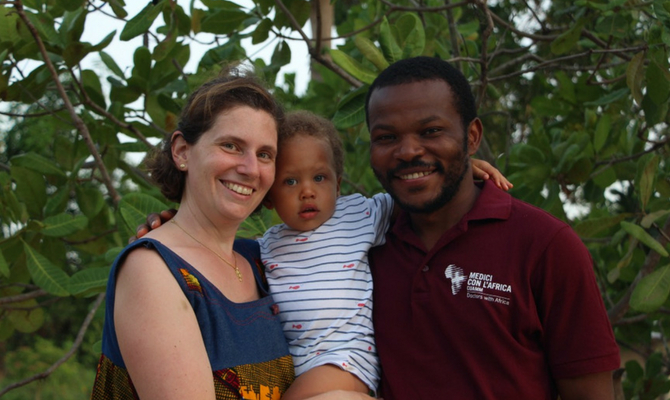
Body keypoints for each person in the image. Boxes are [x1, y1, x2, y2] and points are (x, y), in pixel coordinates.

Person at [134, 109, 511, 399]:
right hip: (297, 367)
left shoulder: (360, 214)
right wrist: (168, 223)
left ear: (338, 181)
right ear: (268, 195)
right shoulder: (263, 248)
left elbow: (424, 194)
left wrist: (461, 173)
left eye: (319, 177)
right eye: (291, 181)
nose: (307, 191)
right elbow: (204, 248)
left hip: (345, 360)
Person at [91, 70, 372, 400]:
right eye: (231, 146)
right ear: (182, 151)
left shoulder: (263, 260)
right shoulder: (153, 270)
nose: (251, 168)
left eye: (265, 154)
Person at [365, 56, 620, 399]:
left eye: (431, 132)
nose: (408, 151)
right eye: (386, 137)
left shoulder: (547, 246)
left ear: (472, 138)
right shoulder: (360, 244)